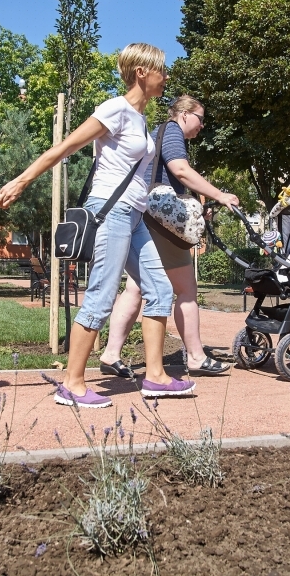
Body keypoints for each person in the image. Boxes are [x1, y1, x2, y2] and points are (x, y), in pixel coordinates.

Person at [0, 43, 196, 409]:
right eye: (162, 70)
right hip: (111, 212)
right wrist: (21, 181)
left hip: (135, 216)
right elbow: (63, 148)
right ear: (141, 72)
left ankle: (155, 376)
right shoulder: (115, 109)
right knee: (102, 297)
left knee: (160, 290)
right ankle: (71, 383)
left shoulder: (140, 119)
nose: (166, 77)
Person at [99, 95, 239, 378]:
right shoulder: (173, 131)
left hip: (143, 217)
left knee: (136, 287)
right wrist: (220, 195)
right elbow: (180, 170)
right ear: (185, 114)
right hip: (161, 226)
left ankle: (111, 353)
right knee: (186, 289)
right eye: (200, 119)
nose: (202, 126)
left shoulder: (158, 133)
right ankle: (197, 356)